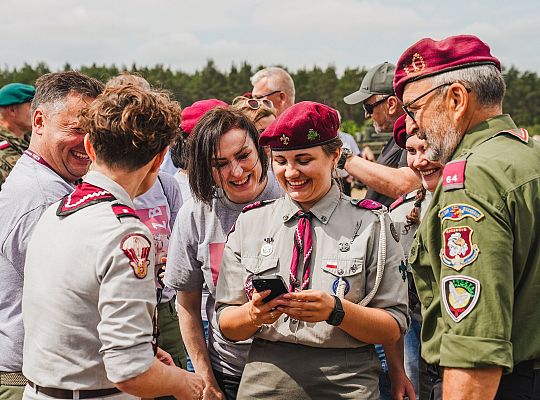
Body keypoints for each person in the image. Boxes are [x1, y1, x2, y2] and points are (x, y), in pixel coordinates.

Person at [22, 84, 204, 400]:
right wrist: (183, 383)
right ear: (159, 159)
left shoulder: (56, 211)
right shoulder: (125, 234)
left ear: (90, 146)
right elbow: (130, 372)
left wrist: (146, 354)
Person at [215, 101, 409, 399]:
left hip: (346, 381)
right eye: (280, 162)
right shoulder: (251, 223)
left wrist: (336, 310)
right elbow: (227, 323)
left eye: (304, 160)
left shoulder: (372, 223)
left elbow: (392, 326)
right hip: (265, 382)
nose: (291, 173)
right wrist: (253, 314)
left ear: (334, 157)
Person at [394, 34, 540, 399]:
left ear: (457, 99)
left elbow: (475, 346)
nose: (411, 125)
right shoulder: (527, 155)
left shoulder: (472, 176)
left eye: (414, 108)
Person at [164, 108, 282, 399]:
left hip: (294, 374)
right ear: (205, 168)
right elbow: (188, 307)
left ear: (261, 150)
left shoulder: (292, 197)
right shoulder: (195, 214)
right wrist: (207, 380)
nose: (237, 172)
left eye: (243, 156)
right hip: (229, 373)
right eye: (220, 164)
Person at [0, 72, 103, 400]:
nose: (88, 142)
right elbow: (71, 300)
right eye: (77, 128)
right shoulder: (42, 198)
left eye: (95, 131)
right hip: (32, 381)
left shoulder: (52, 183)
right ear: (40, 121)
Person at [106, 74, 188, 377]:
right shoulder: (95, 181)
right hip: (121, 308)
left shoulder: (166, 184)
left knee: (173, 378)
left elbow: (180, 241)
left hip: (164, 307)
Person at [389, 115, 439, 400]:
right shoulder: (400, 216)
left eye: (428, 148)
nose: (420, 160)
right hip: (415, 328)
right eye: (412, 151)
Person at [342, 62, 419, 207]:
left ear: (391, 104)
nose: (366, 115)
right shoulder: (398, 136)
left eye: (368, 108)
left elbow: (407, 185)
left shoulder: (413, 133)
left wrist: (345, 159)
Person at [0, 83, 35, 188]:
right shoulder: (3, 150)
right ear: (12, 110)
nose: (37, 112)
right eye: (31, 106)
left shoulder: (29, 142)